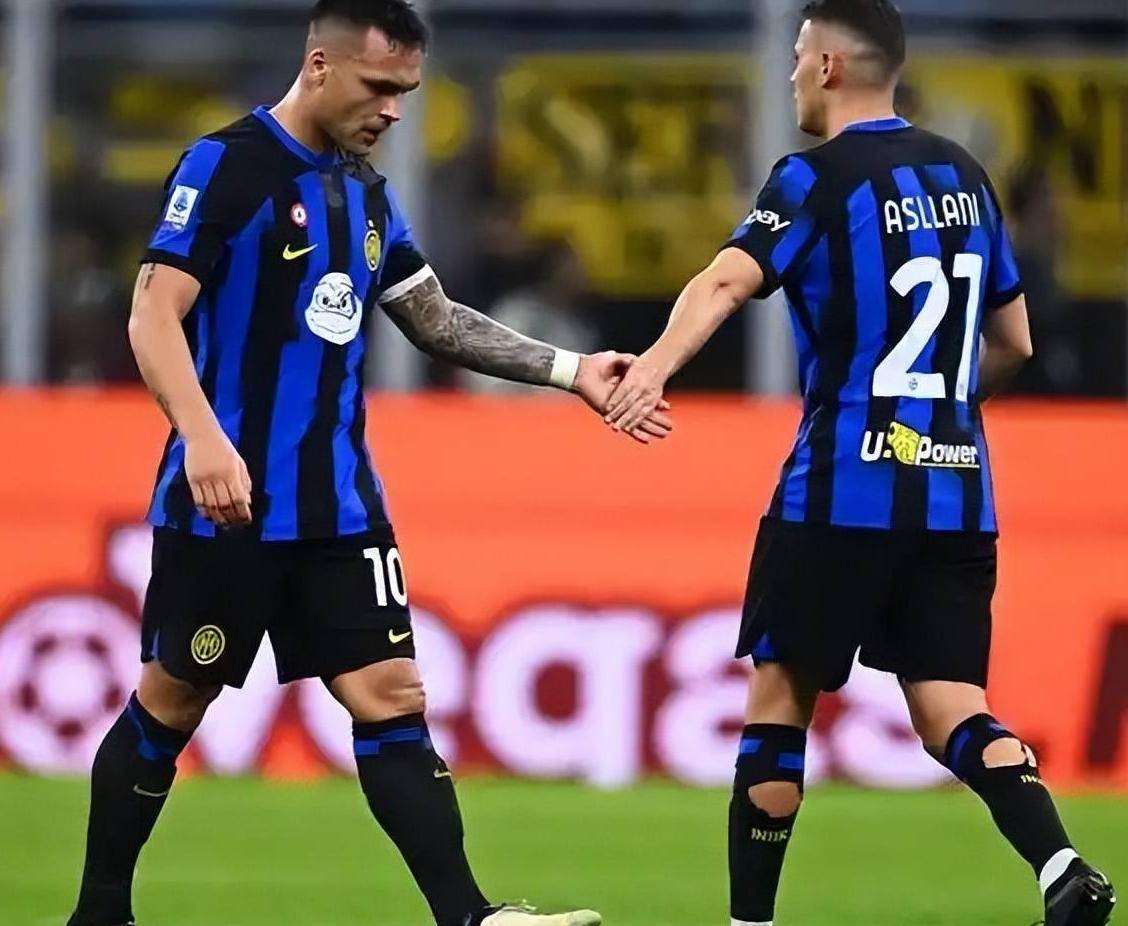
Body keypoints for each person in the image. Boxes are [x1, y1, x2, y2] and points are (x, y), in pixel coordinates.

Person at [66, 3, 672, 925]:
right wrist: (203, 437)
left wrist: (570, 370)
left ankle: (470, 916)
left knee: (393, 696)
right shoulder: (228, 165)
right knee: (173, 700)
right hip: (226, 503)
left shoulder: (366, 193)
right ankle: (99, 913)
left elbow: (436, 321)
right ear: (319, 65)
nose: (393, 109)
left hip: (341, 509)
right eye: (380, 86)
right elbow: (153, 315)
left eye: (406, 92)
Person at [601, 2, 1115, 925]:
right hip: (956, 495)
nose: (792, 73)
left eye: (799, 56)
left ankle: (750, 923)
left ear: (830, 66)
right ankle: (1060, 864)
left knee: (780, 698)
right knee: (953, 708)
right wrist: (940, 416)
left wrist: (652, 369)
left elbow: (727, 278)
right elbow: (1016, 342)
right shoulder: (965, 176)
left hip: (841, 488)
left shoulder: (814, 178)